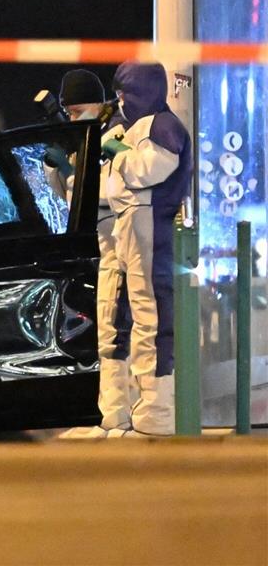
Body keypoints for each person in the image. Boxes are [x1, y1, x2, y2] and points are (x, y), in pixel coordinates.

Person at [98, 61, 192, 437]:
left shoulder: (163, 126)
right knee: (124, 315)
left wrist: (118, 152)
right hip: (132, 223)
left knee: (151, 316)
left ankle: (157, 411)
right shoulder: (141, 124)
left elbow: (146, 170)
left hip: (150, 223)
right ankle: (131, 408)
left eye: (125, 93)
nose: (120, 101)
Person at [49, 70, 135, 439]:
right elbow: (67, 198)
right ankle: (109, 414)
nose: (73, 118)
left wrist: (72, 171)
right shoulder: (92, 136)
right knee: (103, 331)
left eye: (77, 110)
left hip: (118, 245)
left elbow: (106, 190)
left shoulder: (116, 134)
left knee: (115, 331)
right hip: (101, 248)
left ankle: (118, 417)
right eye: (68, 112)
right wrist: (58, 167)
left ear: (99, 105)